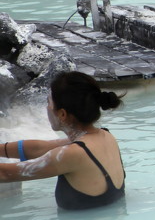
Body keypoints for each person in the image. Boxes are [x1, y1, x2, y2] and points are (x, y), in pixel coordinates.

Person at [0, 72, 126, 209]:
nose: (47, 108)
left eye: (48, 102)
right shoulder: (105, 136)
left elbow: (5, 174)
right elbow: (40, 148)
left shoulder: (73, 154)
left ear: (62, 114)